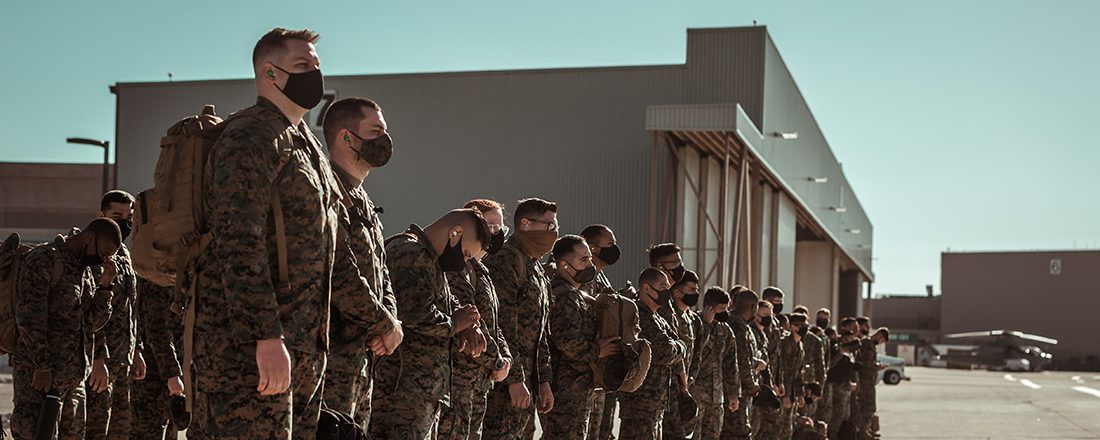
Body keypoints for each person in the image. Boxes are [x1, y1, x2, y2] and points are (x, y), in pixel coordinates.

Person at [190, 27, 341, 438]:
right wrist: (265, 336)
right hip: (249, 355)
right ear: (270, 74)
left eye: (317, 65)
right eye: (302, 65)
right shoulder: (250, 136)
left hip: (302, 348)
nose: (315, 73)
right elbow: (236, 242)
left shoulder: (306, 144)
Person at [322, 96, 404, 431]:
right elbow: (341, 273)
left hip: (362, 358)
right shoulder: (326, 190)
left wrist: (390, 321)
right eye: (376, 131)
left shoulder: (363, 199)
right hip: (329, 360)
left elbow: (380, 271)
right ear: (346, 137)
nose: (385, 140)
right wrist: (384, 324)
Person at [370, 209, 491, 437]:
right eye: (465, 254)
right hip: (400, 393)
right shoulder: (410, 252)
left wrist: (467, 325)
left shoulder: (430, 259)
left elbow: (444, 302)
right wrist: (455, 324)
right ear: (455, 233)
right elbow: (415, 312)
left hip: (421, 392)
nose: (463, 263)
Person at [11, 218, 120, 439]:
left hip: (74, 382)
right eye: (103, 253)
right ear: (90, 238)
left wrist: (106, 287)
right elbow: (29, 319)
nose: (103, 260)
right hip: (40, 380)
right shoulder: (44, 260)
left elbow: (92, 324)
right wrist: (42, 366)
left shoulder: (87, 271)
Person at [482, 198, 558, 439]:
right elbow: (501, 322)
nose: (554, 232)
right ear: (525, 224)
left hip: (527, 385)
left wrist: (543, 380)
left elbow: (540, 332)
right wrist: (514, 379)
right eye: (549, 225)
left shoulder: (534, 266)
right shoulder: (507, 259)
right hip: (505, 385)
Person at [438, 199, 513, 440]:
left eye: (500, 228)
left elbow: (492, 322)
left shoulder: (480, 270)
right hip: (458, 379)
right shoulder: (455, 266)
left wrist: (505, 356)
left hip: (479, 383)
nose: (496, 234)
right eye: (491, 227)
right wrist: (496, 359)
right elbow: (470, 322)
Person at [541, 235, 620, 439]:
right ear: (565, 266)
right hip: (566, 389)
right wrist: (597, 350)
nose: (590, 264)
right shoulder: (565, 296)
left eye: (589, 259)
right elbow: (567, 341)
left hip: (576, 388)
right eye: (583, 260)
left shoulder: (574, 294)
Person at [86, 191, 141, 440]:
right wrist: (98, 360)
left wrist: (136, 350)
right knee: (96, 431)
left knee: (121, 431)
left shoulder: (125, 256)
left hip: (123, 361)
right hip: (101, 365)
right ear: (101, 216)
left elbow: (129, 309)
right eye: (116, 216)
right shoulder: (91, 255)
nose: (124, 223)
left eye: (129, 217)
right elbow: (88, 314)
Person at [618, 268, 686, 439]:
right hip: (640, 402)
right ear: (646, 288)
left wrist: (678, 346)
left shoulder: (658, 318)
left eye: (667, 287)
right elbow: (666, 352)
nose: (666, 291)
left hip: (654, 402)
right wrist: (679, 347)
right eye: (662, 286)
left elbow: (677, 345)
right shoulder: (640, 316)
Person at [579, 224, 623, 440]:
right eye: (610, 244)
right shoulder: (580, 279)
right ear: (593, 248)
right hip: (580, 370)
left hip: (599, 372)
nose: (614, 249)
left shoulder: (600, 278)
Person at [130, 279, 185, 438]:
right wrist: (172, 374)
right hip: (153, 378)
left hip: (170, 381)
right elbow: (158, 332)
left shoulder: (177, 282)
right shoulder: (158, 282)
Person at [691, 287, 740, 440]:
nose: (725, 313)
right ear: (709, 308)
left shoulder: (725, 330)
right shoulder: (694, 323)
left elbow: (731, 364)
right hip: (696, 394)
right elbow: (693, 351)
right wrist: (706, 325)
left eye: (726, 309)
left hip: (716, 397)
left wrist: (733, 393)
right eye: (721, 310)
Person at [720, 286, 762, 440]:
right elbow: (742, 360)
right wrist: (751, 385)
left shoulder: (733, 322)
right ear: (753, 307)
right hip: (736, 393)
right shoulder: (738, 326)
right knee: (738, 433)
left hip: (727, 390)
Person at [665, 270, 702, 439]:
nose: (696, 293)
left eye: (697, 289)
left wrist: (689, 379)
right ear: (678, 293)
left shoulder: (692, 319)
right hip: (669, 388)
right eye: (692, 289)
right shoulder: (669, 315)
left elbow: (696, 354)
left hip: (685, 388)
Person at [777, 313, 808, 439]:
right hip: (783, 394)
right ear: (791, 326)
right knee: (778, 429)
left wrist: (800, 394)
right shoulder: (784, 343)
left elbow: (799, 373)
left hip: (793, 395)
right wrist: (785, 395)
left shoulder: (800, 346)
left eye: (804, 325)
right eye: (798, 325)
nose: (801, 328)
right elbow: (781, 370)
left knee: (788, 429)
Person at [854, 328, 888, 440]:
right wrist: (878, 366)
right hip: (864, 381)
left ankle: (866, 429)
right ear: (879, 335)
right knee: (867, 406)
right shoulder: (867, 343)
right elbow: (866, 362)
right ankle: (863, 432)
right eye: (882, 340)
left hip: (868, 380)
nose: (880, 343)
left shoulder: (870, 344)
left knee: (869, 407)